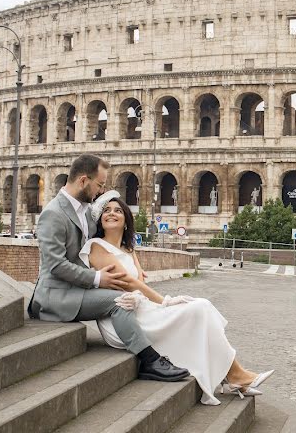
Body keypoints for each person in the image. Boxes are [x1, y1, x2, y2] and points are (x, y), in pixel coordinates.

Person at [81, 191, 273, 405]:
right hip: (123, 319)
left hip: (141, 307)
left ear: (126, 219)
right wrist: (164, 301)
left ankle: (234, 376)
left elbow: (140, 284)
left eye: (117, 210)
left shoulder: (128, 249)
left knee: (202, 306)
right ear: (100, 219)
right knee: (198, 308)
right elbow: (128, 282)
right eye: (106, 210)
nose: (111, 213)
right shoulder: (95, 246)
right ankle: (235, 376)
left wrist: (155, 301)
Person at [29, 154, 189, 383]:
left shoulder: (84, 210)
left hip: (75, 288)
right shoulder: (53, 214)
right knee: (118, 302)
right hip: (55, 295)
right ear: (84, 181)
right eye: (99, 185)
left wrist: (135, 265)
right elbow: (55, 265)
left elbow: (117, 238)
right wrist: (96, 278)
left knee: (125, 296)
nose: (101, 191)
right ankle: (150, 361)